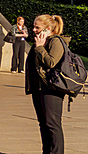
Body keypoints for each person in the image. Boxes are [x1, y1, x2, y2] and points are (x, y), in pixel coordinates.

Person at [26, 14, 66, 154]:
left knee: (52, 124)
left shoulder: (56, 42)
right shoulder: (40, 41)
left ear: (48, 28)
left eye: (37, 27)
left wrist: (40, 48)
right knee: (43, 124)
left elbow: (51, 62)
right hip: (39, 88)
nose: (34, 30)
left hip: (52, 88)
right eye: (34, 27)